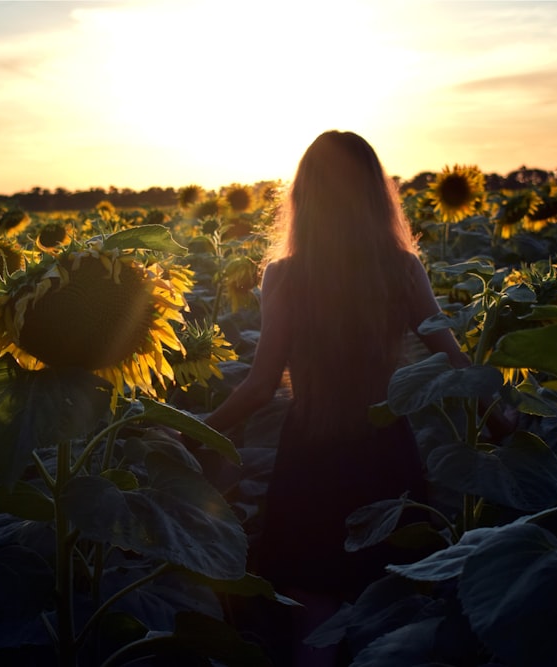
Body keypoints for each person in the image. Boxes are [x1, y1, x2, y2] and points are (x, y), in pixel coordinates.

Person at [199, 131, 510, 666]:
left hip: (309, 461)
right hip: (386, 457)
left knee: (312, 621)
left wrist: (196, 428)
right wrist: (507, 423)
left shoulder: (288, 275)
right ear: (374, 192)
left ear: (304, 196)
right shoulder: (400, 268)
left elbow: (260, 386)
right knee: (391, 619)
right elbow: (459, 365)